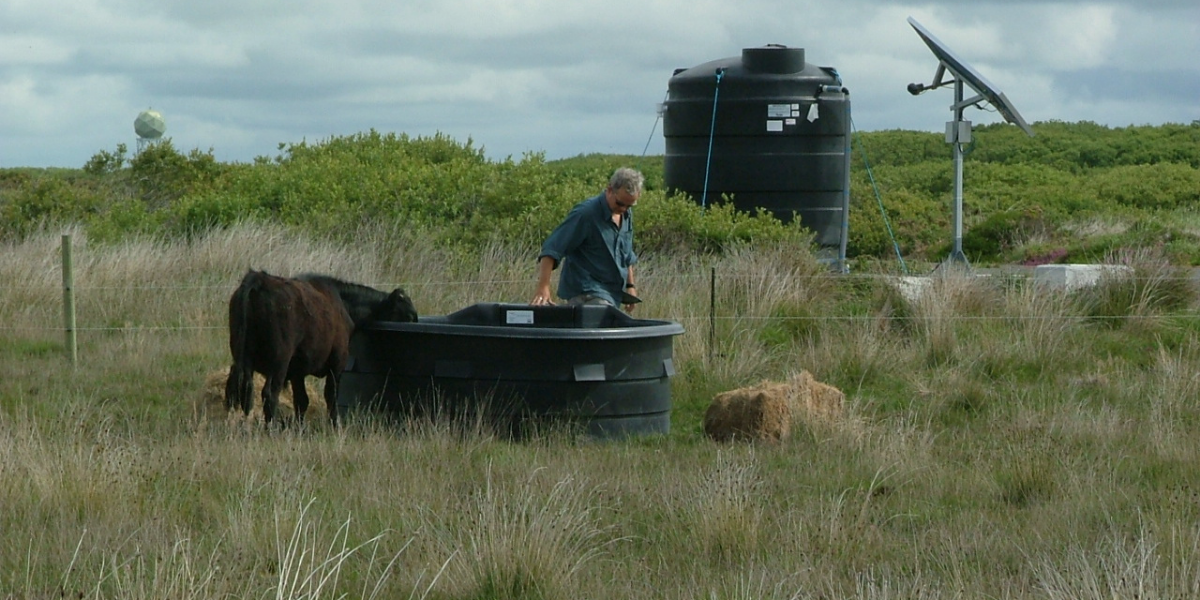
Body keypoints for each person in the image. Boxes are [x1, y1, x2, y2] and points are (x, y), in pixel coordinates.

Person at [531, 167, 644, 313]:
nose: (624, 209)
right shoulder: (586, 214)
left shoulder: (626, 215)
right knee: (604, 323)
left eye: (630, 205)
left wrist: (630, 286)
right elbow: (552, 248)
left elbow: (626, 255)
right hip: (587, 292)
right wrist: (543, 287)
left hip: (612, 294)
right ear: (609, 190)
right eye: (620, 203)